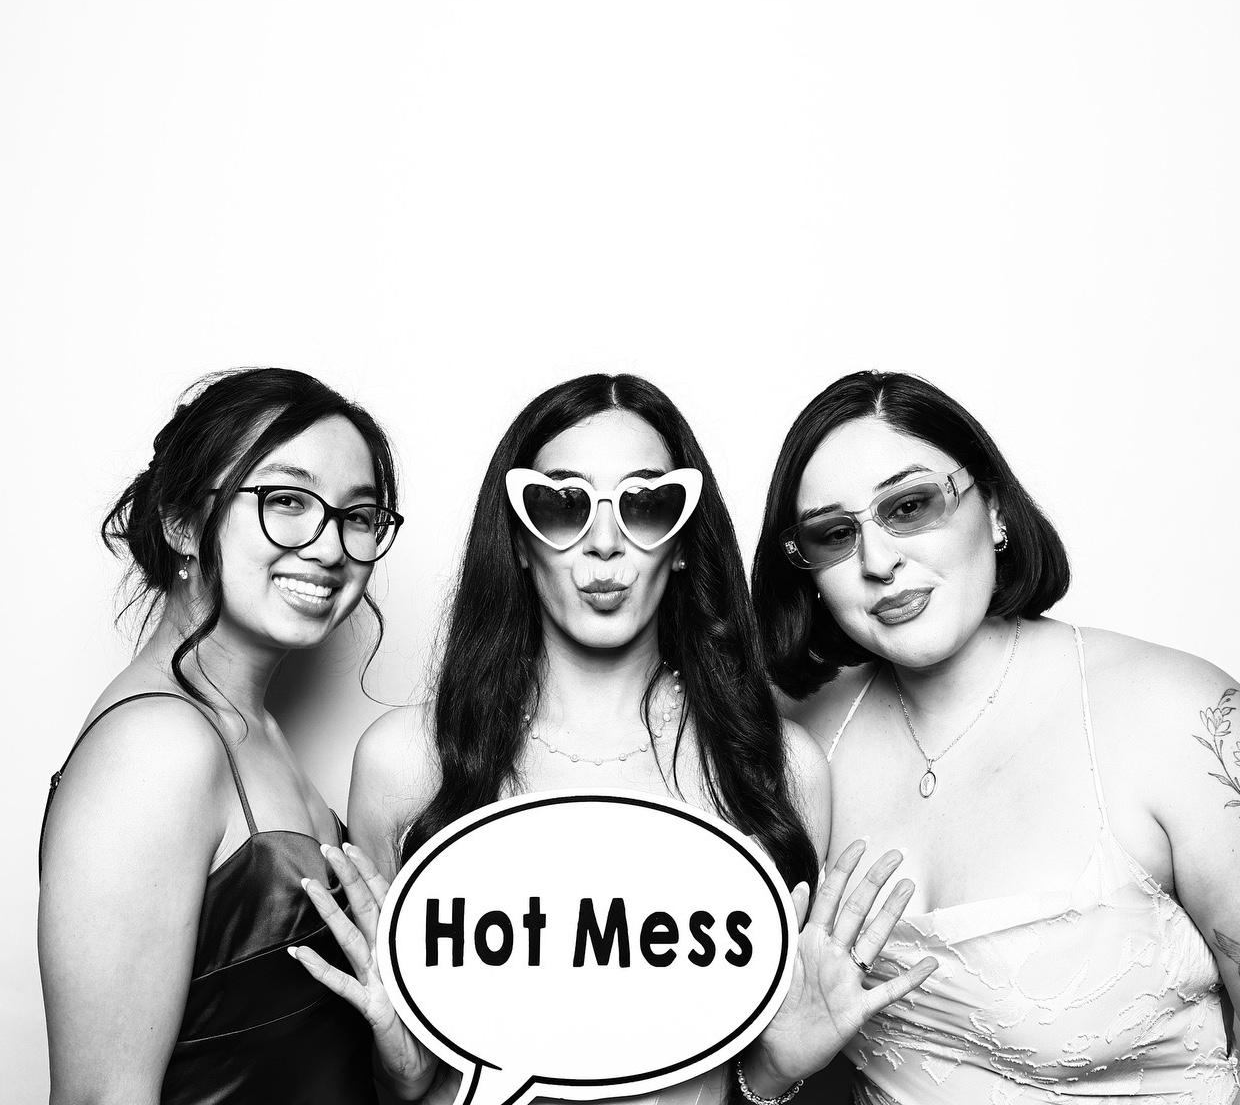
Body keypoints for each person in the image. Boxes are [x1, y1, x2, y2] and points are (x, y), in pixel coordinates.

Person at [293, 372, 937, 1104]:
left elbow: (746, 1079)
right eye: (562, 506)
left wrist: (776, 1071)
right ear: (520, 542)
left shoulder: (778, 768)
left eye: (646, 506)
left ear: (684, 543)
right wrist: (401, 1074)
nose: (604, 544)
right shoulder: (407, 760)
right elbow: (402, 1076)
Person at [750, 369, 1240, 1104]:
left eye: (909, 506)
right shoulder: (801, 748)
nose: (878, 562)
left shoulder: (1178, 715)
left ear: (997, 510)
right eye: (835, 535)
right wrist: (772, 1073)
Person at [39, 367, 406, 1105]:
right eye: (287, 500)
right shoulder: (156, 749)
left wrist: (402, 1058)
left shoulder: (251, 729)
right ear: (181, 522)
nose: (330, 547)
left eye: (360, 515)